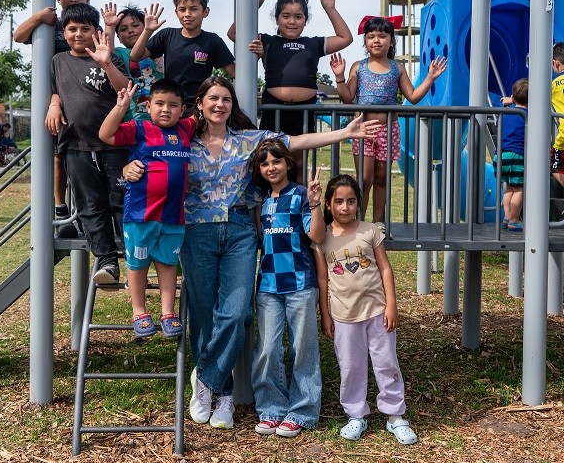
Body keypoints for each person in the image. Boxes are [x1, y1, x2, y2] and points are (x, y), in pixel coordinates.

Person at [124, 75, 380, 431]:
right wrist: (128, 167)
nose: (219, 104)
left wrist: (343, 133)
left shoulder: (248, 140)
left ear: (232, 106)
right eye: (213, 98)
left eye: (226, 99)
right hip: (196, 233)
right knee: (202, 314)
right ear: (199, 103)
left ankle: (208, 380)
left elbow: (296, 141)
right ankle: (224, 394)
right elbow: (142, 152)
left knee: (237, 312)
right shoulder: (183, 140)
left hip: (241, 233)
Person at [314, 174, 417, 445]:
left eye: (351, 201)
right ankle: (355, 414)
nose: (345, 207)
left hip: (376, 311)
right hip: (343, 315)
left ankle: (395, 415)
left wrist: (391, 304)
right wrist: (325, 314)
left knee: (386, 363)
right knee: (350, 366)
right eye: (338, 201)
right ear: (328, 204)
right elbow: (323, 278)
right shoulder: (322, 237)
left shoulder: (370, 231)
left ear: (359, 202)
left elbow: (384, 267)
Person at [98, 78, 196, 338]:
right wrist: (121, 107)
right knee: (137, 263)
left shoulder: (186, 128)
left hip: (173, 216)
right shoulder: (139, 128)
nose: (166, 110)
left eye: (173, 105)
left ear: (183, 109)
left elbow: (206, 113)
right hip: (141, 214)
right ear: (148, 105)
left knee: (167, 263)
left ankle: (167, 312)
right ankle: (139, 311)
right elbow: (106, 134)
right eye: (160, 103)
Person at [330, 15, 447, 229]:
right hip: (363, 130)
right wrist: (339, 77)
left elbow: (412, 96)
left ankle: (377, 223)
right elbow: (347, 97)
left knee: (382, 177)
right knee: (364, 179)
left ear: (391, 40)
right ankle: (358, 222)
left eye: (382, 36)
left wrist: (430, 78)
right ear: (365, 41)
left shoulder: (397, 67)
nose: (376, 40)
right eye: (371, 36)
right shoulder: (359, 66)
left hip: (388, 129)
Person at [228, 0, 353, 180]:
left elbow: (346, 38)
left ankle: (299, 206)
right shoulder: (266, 41)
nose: (292, 21)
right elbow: (233, 33)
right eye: (286, 16)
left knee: (299, 163)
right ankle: (269, 206)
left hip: (303, 113)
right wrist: (254, 6)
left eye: (298, 16)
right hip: (274, 110)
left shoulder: (314, 43)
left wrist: (330, 9)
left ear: (305, 19)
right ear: (277, 18)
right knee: (270, 161)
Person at [45, 3, 131, 284]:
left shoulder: (109, 56)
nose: (78, 34)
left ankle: (132, 254)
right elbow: (56, 90)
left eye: (85, 28)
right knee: (90, 206)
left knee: (120, 201)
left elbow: (123, 90)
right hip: (77, 147)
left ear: (96, 32)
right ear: (64, 32)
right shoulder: (58, 61)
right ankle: (107, 262)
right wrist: (54, 103)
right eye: (72, 29)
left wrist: (106, 62)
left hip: (113, 145)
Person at [251, 139, 324, 437]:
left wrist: (317, 203)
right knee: (267, 348)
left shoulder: (301, 195)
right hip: (268, 284)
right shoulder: (261, 201)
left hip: (299, 284)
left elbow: (316, 235)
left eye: (276, 161)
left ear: (288, 164)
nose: (271, 167)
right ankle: (271, 408)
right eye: (265, 163)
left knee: (302, 348)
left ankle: (303, 411)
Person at [14, 0, 91, 233]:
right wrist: (38, 17)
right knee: (59, 155)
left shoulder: (91, 26)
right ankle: (61, 208)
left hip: (84, 97)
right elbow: (19, 36)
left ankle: (85, 210)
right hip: (55, 99)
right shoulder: (52, 25)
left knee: (84, 158)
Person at [129, 0, 235, 113]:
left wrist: (254, 55)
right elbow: (135, 56)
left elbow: (235, 72)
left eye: (194, 9)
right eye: (182, 9)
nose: (187, 14)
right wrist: (147, 30)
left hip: (199, 110)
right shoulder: (167, 35)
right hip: (171, 109)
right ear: (176, 12)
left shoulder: (212, 41)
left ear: (205, 12)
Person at [101, 3, 164, 120]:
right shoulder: (121, 53)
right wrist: (110, 26)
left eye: (135, 25)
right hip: (132, 119)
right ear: (118, 37)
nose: (130, 30)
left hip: (161, 118)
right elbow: (107, 53)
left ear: (146, 26)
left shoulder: (159, 53)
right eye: (123, 29)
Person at [496, 78, 528, 231]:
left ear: (513, 98)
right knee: (520, 189)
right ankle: (515, 219)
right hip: (516, 155)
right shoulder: (528, 116)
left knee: (509, 186)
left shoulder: (504, 114)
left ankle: (507, 217)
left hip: (500, 156)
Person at [551, 43, 564, 189]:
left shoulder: (554, 84)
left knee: (551, 165)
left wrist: (513, 99)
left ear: (556, 63)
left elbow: (534, 98)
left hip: (563, 137)